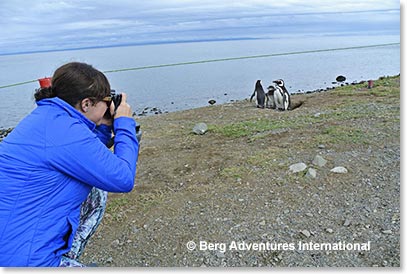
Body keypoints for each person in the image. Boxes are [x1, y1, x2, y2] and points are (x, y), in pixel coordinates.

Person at [0, 62, 139, 267]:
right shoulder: (65, 131)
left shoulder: (49, 118)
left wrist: (104, 127)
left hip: (12, 243)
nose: (109, 106)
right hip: (23, 262)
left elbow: (83, 159)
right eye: (107, 100)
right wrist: (124, 123)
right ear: (86, 104)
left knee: (96, 193)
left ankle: (66, 256)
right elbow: (123, 178)